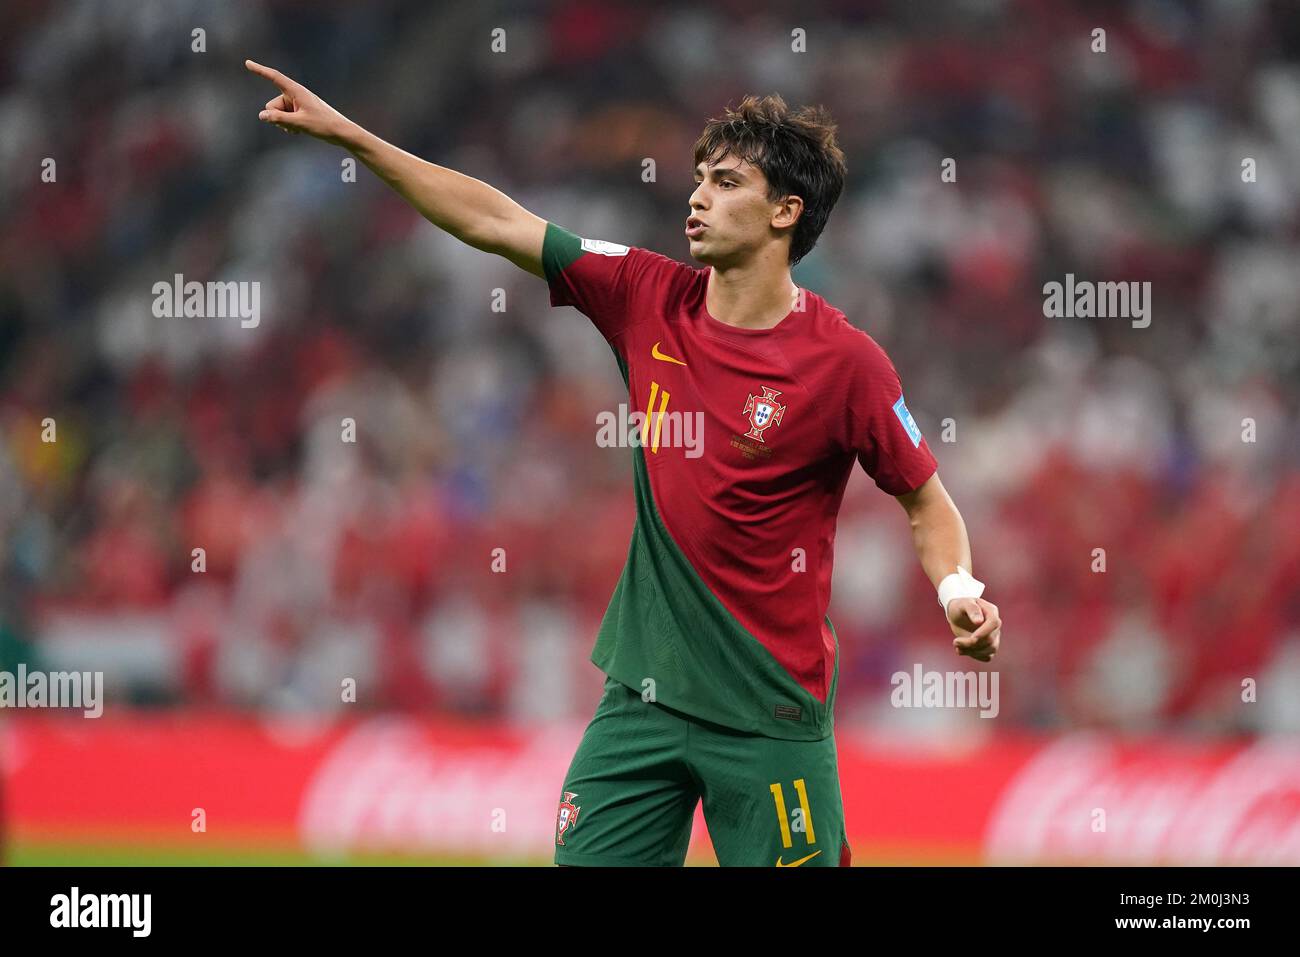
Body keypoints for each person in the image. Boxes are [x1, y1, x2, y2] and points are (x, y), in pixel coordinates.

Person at [246, 59, 1002, 867]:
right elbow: (497, 222)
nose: (697, 196)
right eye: (698, 179)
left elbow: (927, 500)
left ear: (787, 211)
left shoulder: (846, 363)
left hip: (770, 714)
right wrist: (358, 140)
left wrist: (959, 590)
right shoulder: (647, 295)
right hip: (642, 698)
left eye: (725, 182)